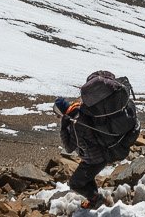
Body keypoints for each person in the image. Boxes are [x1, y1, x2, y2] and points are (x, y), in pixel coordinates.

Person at [53, 69, 138, 207]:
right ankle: (95, 199)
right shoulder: (81, 111)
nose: (58, 117)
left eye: (58, 114)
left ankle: (96, 200)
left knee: (75, 183)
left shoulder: (75, 123)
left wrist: (64, 126)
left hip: (94, 159)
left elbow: (69, 147)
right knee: (85, 178)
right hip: (99, 155)